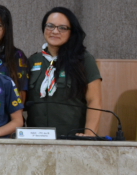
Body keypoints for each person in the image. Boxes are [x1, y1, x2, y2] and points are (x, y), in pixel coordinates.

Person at [26, 7, 102, 138]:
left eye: (62, 28)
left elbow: (94, 100)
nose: (55, 31)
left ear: (72, 32)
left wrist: (89, 135)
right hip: (36, 139)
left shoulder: (84, 60)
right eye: (50, 26)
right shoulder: (33, 61)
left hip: (72, 138)